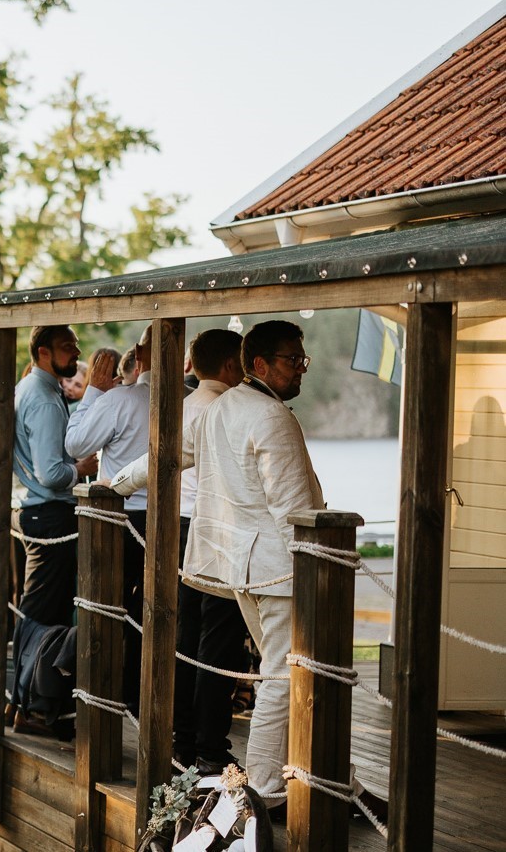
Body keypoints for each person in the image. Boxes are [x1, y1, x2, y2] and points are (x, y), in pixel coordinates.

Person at [180, 320, 323, 800]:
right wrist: (315, 568)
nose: (301, 369)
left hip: (240, 567)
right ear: (259, 363)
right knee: (283, 676)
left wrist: (116, 485)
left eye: (303, 360)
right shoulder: (269, 416)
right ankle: (263, 789)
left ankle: (313, 772)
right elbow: (293, 507)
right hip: (278, 569)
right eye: (291, 360)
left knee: (287, 672)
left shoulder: (219, 408)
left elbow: (169, 456)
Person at [109, 329, 247, 774]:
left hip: (178, 529)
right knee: (217, 643)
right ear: (230, 366)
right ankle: (209, 745)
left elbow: (152, 461)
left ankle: (182, 737)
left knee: (185, 638)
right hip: (214, 531)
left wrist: (114, 485)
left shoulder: (181, 407)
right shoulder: (227, 410)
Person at [64, 326, 153, 710]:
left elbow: (76, 444)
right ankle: (137, 694)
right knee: (149, 611)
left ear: (138, 354)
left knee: (106, 605)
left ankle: (96, 692)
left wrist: (94, 392)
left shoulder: (119, 399)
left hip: (122, 520)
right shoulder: (186, 399)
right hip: (172, 521)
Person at [12, 325, 98, 627]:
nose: (76, 351)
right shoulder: (45, 400)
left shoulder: (30, 388)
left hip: (34, 512)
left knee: (39, 609)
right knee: (43, 614)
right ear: (43, 352)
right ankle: (31, 675)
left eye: (75, 344)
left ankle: (31, 673)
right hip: (48, 515)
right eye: (67, 346)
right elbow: (49, 474)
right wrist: (82, 469)